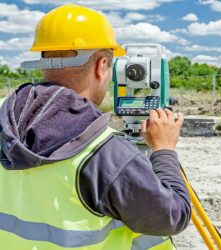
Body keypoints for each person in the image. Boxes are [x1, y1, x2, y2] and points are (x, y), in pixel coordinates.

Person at [0, 4, 190, 249]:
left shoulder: (4, 116)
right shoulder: (105, 152)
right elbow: (172, 217)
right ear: (102, 65)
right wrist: (164, 151)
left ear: (43, 58)